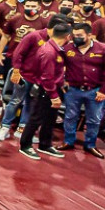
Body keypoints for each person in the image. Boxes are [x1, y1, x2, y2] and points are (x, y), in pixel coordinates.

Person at [57, 22, 105, 158]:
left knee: (94, 119)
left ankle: (90, 145)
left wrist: (104, 91)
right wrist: (62, 82)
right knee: (70, 117)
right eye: (74, 35)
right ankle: (68, 141)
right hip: (73, 89)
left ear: (89, 35)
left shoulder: (103, 49)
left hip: (95, 91)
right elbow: (59, 66)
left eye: (79, 35)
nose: (76, 38)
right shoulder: (67, 48)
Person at [18, 22, 73, 160]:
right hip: (46, 89)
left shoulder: (57, 49)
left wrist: (61, 84)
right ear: (68, 36)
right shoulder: (49, 51)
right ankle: (25, 145)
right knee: (36, 117)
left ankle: (45, 144)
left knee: (50, 118)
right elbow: (47, 77)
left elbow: (57, 72)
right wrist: (54, 96)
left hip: (55, 88)